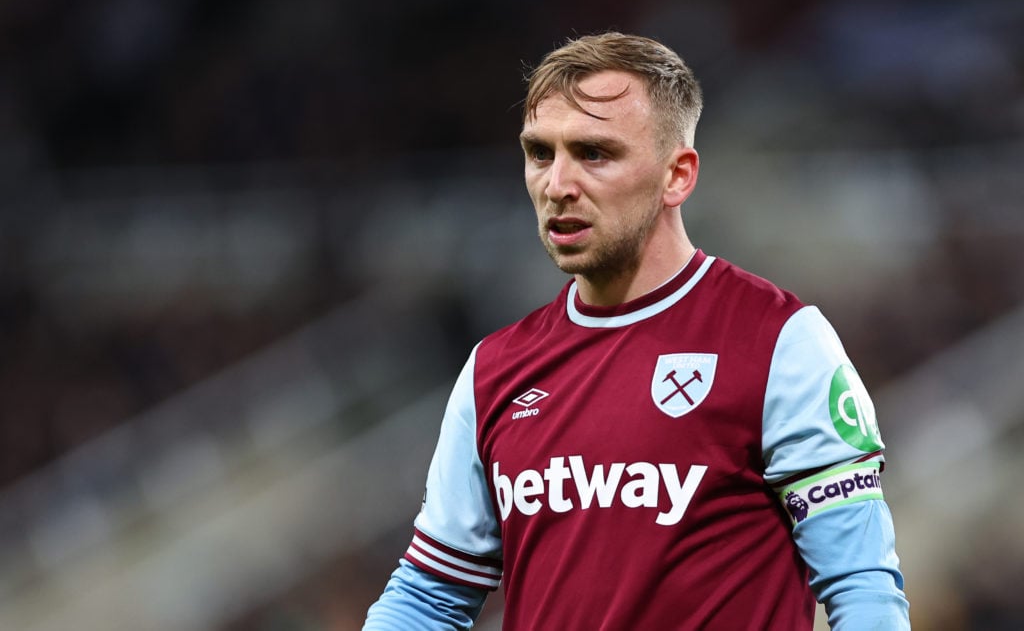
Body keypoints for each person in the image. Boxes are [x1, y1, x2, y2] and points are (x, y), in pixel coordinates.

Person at [363, 32, 910, 629]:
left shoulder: (779, 340)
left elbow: (862, 585)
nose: (557, 184)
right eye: (541, 153)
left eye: (595, 153)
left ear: (677, 175)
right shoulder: (494, 372)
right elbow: (429, 595)